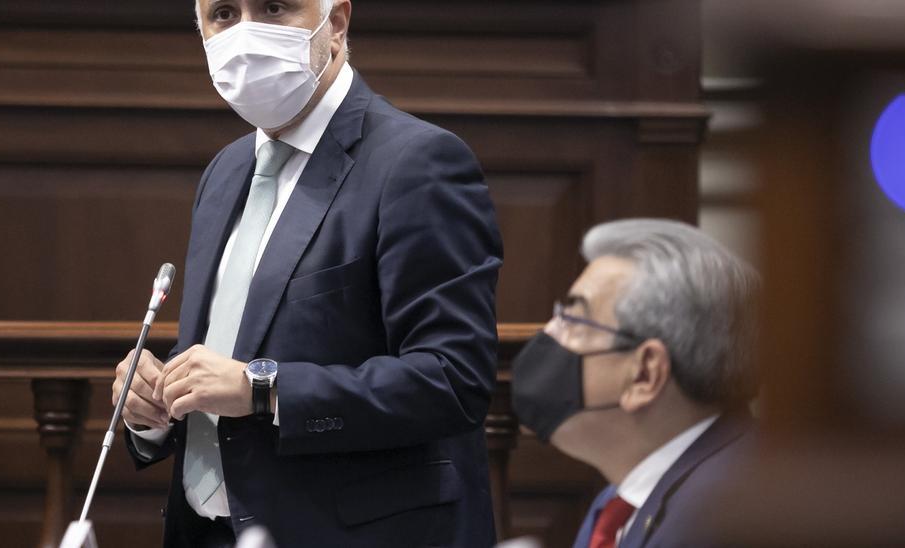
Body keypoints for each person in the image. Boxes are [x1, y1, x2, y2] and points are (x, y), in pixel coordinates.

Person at [111, 0, 503, 546]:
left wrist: (263, 389)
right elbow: (221, 363)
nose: (246, 32)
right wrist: (152, 407)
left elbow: (451, 380)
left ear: (335, 23)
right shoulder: (225, 171)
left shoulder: (417, 161)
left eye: (274, 7)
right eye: (223, 13)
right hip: (206, 531)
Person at [510, 218, 760, 548]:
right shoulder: (621, 500)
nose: (549, 333)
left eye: (573, 319)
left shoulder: (726, 518)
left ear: (644, 374)